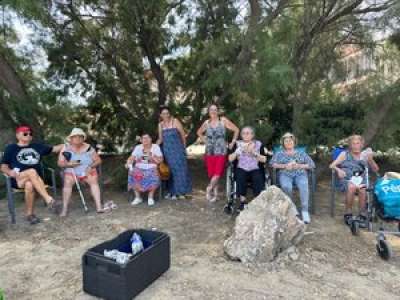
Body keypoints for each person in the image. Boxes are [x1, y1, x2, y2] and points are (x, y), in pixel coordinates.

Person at [0, 125, 63, 224]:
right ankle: (49, 200)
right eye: (25, 133)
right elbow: (3, 166)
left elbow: (55, 148)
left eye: (30, 133)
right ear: (17, 135)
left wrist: (67, 144)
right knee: (32, 171)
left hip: (35, 180)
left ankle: (30, 215)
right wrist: (9, 172)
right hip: (18, 178)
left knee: (29, 185)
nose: (28, 135)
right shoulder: (11, 148)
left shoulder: (37, 146)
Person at [330, 135, 379, 226]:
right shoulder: (344, 154)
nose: (356, 146)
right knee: (351, 186)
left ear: (361, 145)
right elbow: (332, 165)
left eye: (358, 143)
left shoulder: (365, 155)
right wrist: (339, 170)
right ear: (350, 145)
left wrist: (371, 159)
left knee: (363, 189)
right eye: (353, 144)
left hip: (362, 180)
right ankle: (348, 213)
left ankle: (362, 214)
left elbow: (376, 169)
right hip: (347, 179)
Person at [197, 104, 239, 202]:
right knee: (212, 174)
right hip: (209, 151)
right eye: (211, 110)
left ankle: (208, 189)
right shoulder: (206, 123)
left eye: (215, 110)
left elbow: (236, 130)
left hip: (221, 150)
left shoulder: (223, 120)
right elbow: (198, 132)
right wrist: (205, 140)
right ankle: (215, 195)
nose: (213, 111)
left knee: (218, 173)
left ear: (218, 111)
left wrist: (233, 142)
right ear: (208, 111)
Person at [270, 132, 315, 224]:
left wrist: (299, 165)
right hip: (285, 173)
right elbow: (272, 164)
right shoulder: (279, 153)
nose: (288, 143)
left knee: (303, 185)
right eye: (286, 141)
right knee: (287, 186)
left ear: (294, 142)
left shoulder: (301, 153)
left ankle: (305, 211)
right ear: (283, 144)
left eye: (290, 141)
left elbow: (311, 165)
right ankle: (291, 209)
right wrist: (285, 166)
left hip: (300, 174)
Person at [58, 128, 104, 216]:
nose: (78, 139)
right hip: (71, 172)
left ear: (83, 139)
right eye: (75, 137)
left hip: (87, 171)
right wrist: (69, 164)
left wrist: (90, 167)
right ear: (71, 138)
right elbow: (60, 163)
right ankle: (64, 209)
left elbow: (98, 160)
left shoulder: (88, 148)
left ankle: (99, 207)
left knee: (93, 181)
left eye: (80, 137)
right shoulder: (66, 148)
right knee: (67, 182)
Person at [156, 106, 192, 200]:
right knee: (170, 172)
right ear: (160, 115)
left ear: (169, 114)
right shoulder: (160, 125)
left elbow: (183, 135)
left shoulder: (175, 121)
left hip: (178, 150)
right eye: (163, 113)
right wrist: (153, 147)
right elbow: (160, 139)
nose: (165, 115)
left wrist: (184, 149)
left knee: (181, 171)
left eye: (167, 113)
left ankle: (182, 193)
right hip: (167, 151)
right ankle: (172, 193)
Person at [228, 126, 267, 208]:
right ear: (241, 135)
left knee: (258, 177)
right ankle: (243, 202)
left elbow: (264, 160)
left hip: (255, 168)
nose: (245, 135)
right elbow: (230, 159)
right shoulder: (237, 144)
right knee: (240, 176)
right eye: (243, 133)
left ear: (252, 135)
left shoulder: (258, 144)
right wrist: (237, 152)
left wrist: (254, 153)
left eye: (248, 133)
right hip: (241, 167)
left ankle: (258, 201)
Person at [126, 133, 163, 206]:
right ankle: (138, 197)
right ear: (141, 140)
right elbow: (132, 157)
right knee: (132, 172)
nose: (145, 140)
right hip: (139, 167)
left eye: (147, 138)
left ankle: (150, 197)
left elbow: (161, 160)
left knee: (152, 173)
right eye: (143, 138)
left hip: (151, 166)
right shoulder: (138, 147)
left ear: (150, 139)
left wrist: (152, 157)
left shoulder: (155, 147)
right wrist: (128, 162)